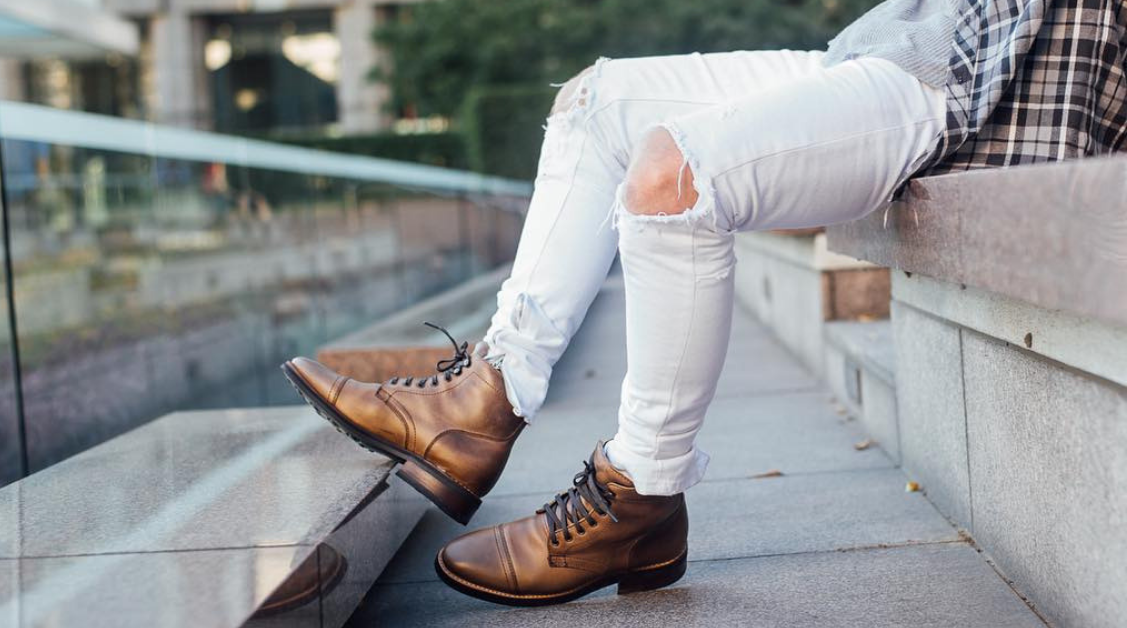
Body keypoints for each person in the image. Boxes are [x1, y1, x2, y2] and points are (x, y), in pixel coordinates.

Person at [283, 0, 1125, 607]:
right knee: (593, 99)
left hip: (982, 93)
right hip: (909, 40)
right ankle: (485, 399)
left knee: (670, 178)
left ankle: (643, 491)